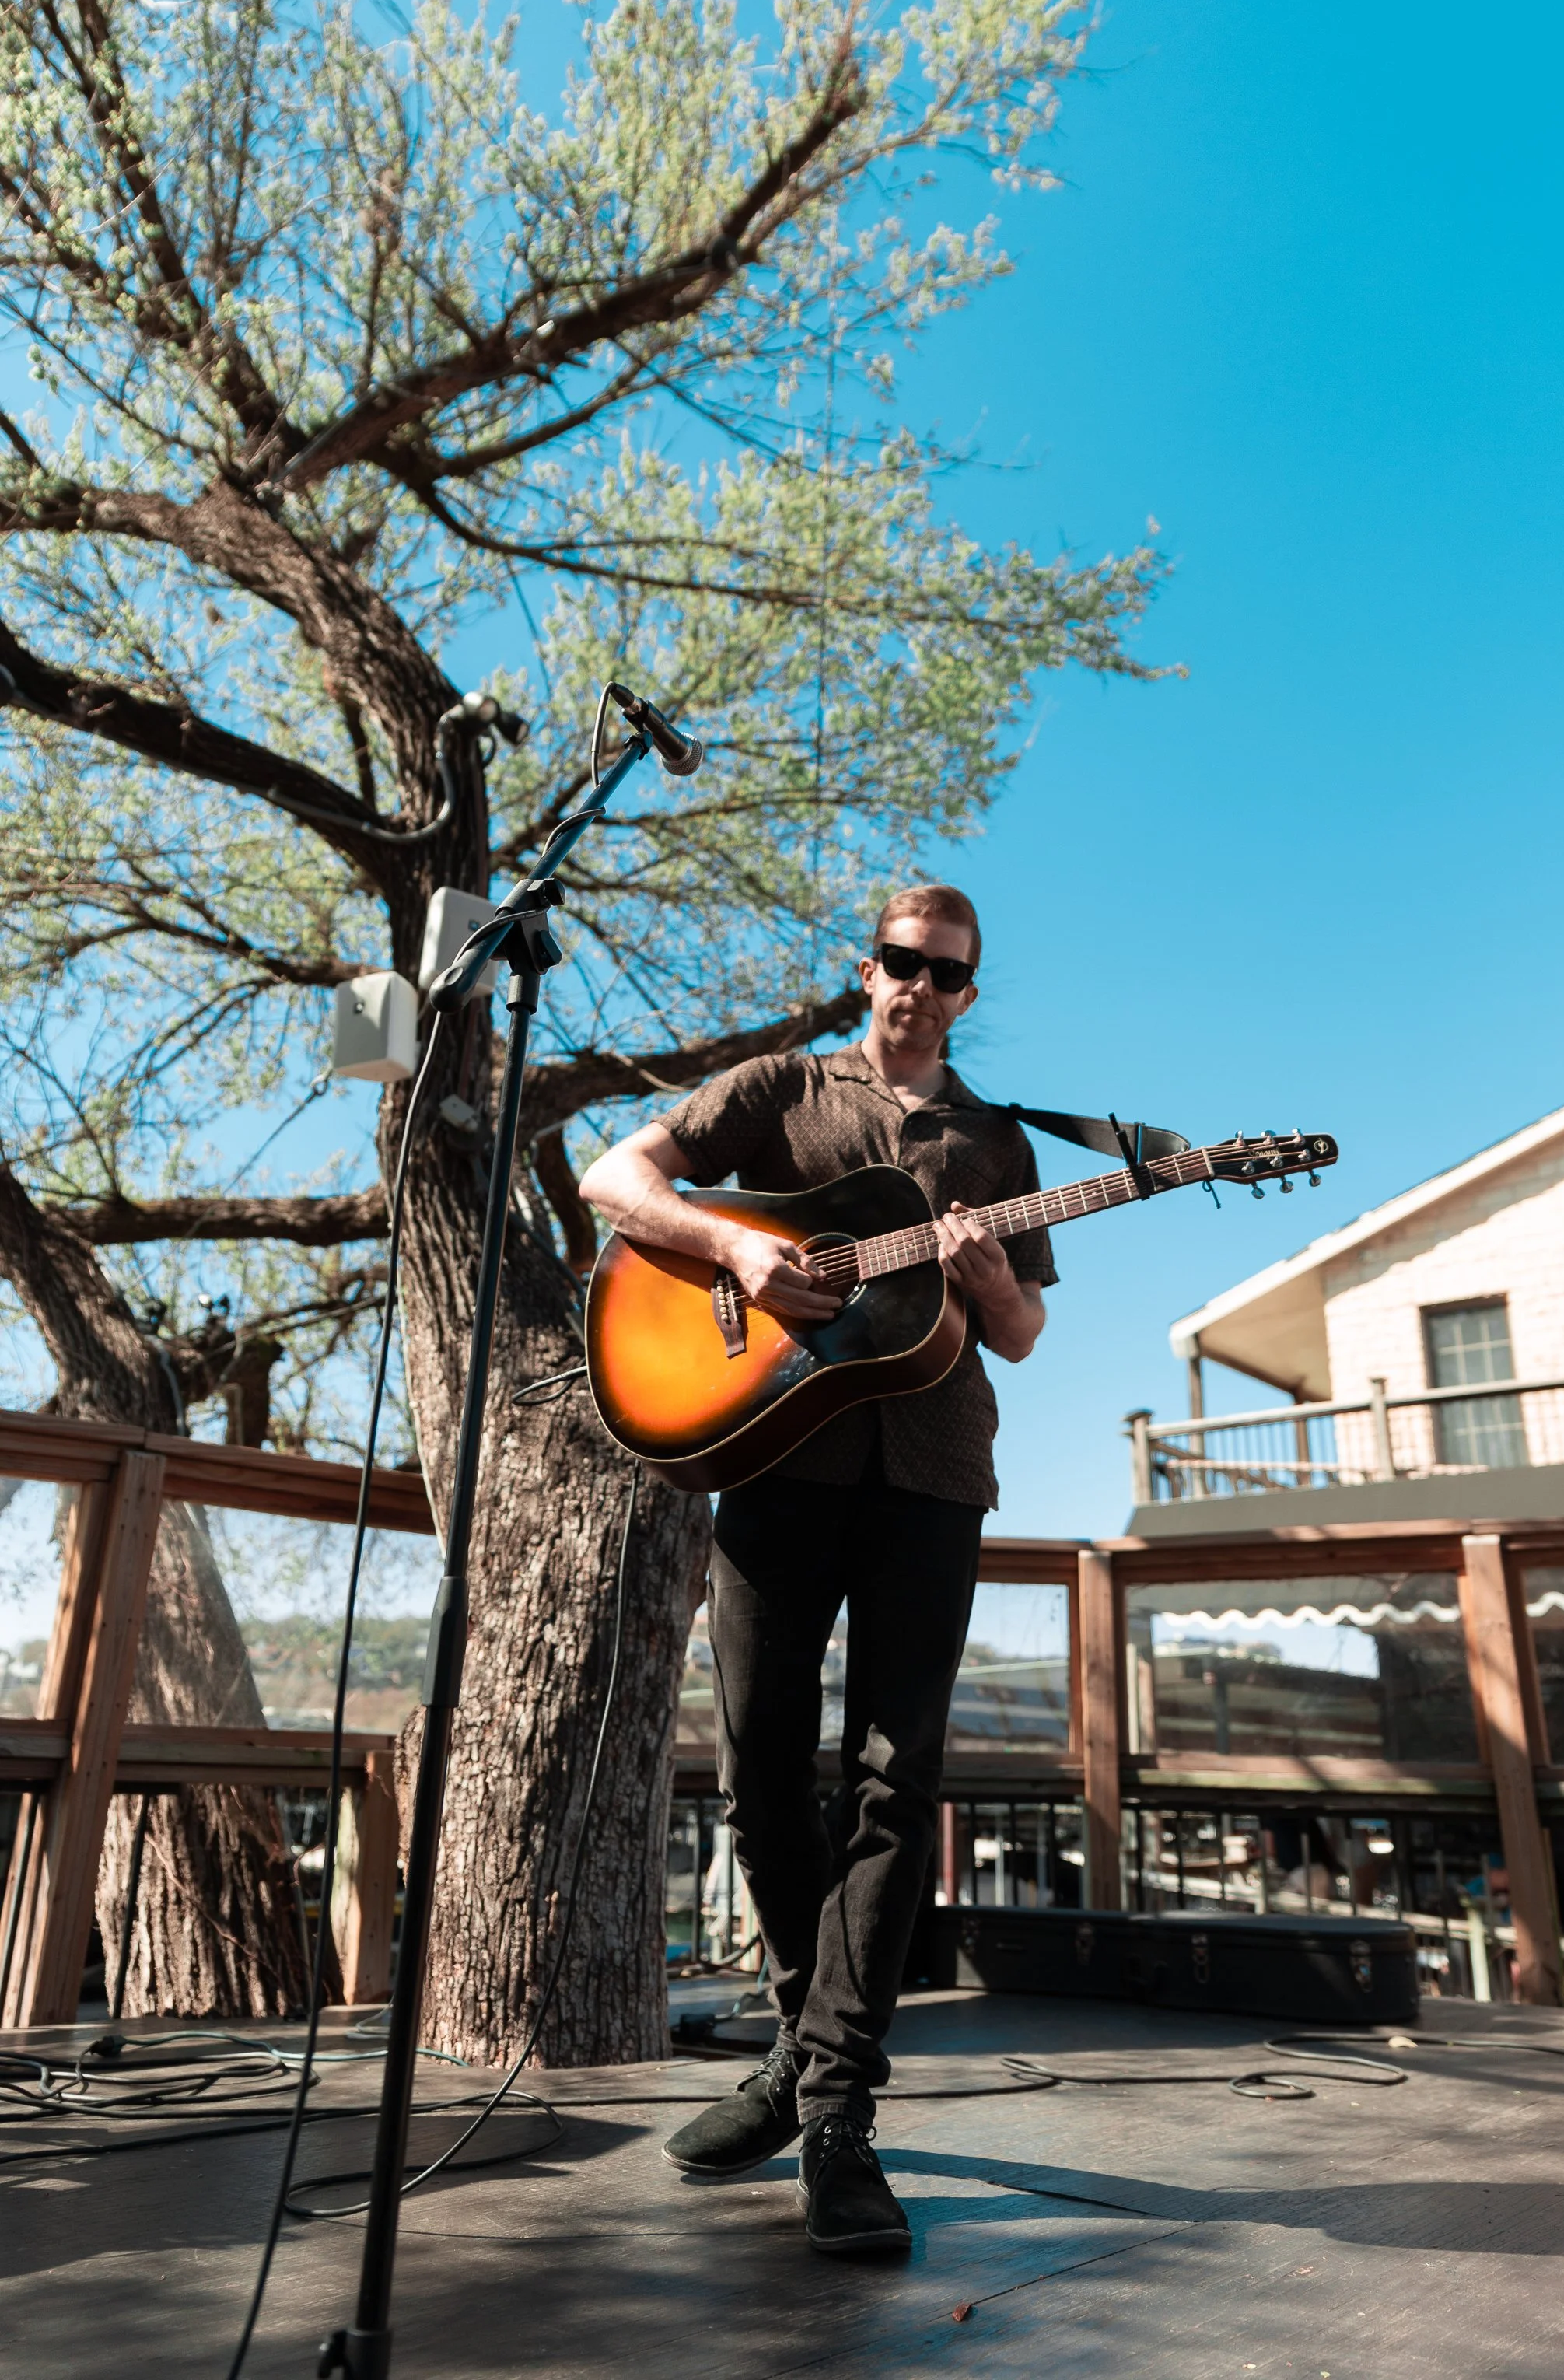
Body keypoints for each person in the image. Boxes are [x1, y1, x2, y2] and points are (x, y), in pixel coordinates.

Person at [578, 883, 1054, 2253]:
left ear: (970, 994)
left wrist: (982, 1279)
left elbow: (1020, 1334)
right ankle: (801, 2045)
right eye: (900, 962)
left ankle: (834, 2109)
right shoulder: (782, 1090)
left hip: (935, 1474)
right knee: (760, 1770)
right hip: (776, 1458)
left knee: (898, 1783)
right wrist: (738, 1247)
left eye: (946, 973)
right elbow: (615, 1179)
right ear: (869, 970)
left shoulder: (1003, 1143)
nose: (918, 986)